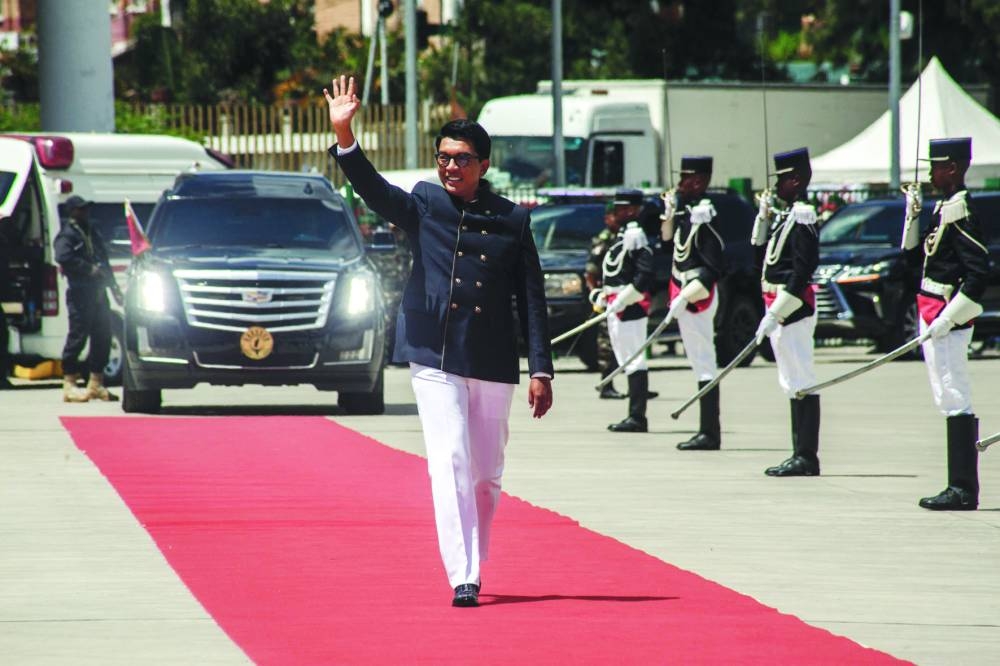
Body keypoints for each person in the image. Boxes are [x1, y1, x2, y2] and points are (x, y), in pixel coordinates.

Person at [323, 75, 554, 607]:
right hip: (434, 351)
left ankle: (477, 554)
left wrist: (540, 368)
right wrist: (344, 132)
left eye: (463, 159)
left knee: (486, 474)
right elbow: (376, 191)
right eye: (445, 157)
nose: (451, 166)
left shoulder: (512, 220)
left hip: (491, 358)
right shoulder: (425, 202)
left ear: (484, 166)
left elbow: (532, 298)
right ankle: (464, 575)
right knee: (448, 458)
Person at [902, 137, 989, 511]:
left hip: (946, 318)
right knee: (946, 396)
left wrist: (948, 317)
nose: (930, 174)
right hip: (932, 313)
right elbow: (912, 260)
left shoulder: (961, 211)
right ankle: (958, 485)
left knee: (956, 396)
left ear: (952, 167)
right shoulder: (943, 209)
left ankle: (963, 488)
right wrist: (912, 214)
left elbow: (978, 275)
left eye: (936, 166)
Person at [751, 148, 821, 476]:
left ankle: (806, 455)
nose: (776, 186)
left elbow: (802, 269)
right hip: (779, 306)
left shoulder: (803, 215)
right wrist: (762, 218)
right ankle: (799, 452)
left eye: (780, 180)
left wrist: (776, 312)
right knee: (791, 380)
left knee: (802, 379)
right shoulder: (788, 216)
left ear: (795, 180)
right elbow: (761, 258)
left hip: (792, 307)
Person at [662, 156, 725, 450]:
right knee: (698, 362)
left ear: (699, 181)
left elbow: (711, 268)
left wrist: (685, 297)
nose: (680, 183)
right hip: (685, 293)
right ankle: (706, 430)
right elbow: (668, 245)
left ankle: (709, 432)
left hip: (697, 296)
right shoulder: (687, 215)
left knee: (704, 363)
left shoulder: (704, 215)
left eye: (686, 178)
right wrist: (669, 213)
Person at [54, 195, 123, 403]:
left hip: (99, 293)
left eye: (86, 209)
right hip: (80, 293)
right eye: (81, 209)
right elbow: (63, 257)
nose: (86, 213)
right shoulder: (67, 235)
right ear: (73, 212)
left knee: (103, 335)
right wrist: (87, 269)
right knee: (78, 336)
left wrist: (114, 287)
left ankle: (96, 383)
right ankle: (70, 383)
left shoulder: (92, 232)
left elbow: (104, 260)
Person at [599, 189, 656, 433]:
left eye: (621, 209)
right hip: (616, 304)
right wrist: (603, 295)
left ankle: (637, 416)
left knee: (634, 360)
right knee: (626, 359)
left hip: (629, 306)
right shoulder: (621, 235)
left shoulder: (635, 236)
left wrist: (623, 298)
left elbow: (644, 274)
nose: (616, 213)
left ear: (632, 210)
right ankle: (634, 414)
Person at [585, 205, 626, 399]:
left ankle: (638, 387)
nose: (615, 220)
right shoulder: (602, 241)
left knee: (629, 341)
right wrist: (596, 295)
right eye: (612, 216)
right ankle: (606, 383)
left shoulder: (627, 236)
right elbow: (590, 274)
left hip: (626, 297)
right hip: (608, 298)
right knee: (607, 343)